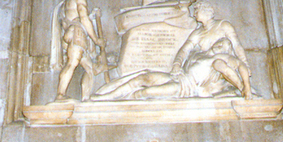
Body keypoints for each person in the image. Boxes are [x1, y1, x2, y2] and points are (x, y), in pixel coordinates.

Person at [91, 37, 252, 100]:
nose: (219, 45)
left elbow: (238, 68)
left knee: (146, 92)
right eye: (219, 42)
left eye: (224, 46)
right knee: (143, 77)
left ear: (227, 51)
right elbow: (183, 55)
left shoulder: (220, 60)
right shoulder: (199, 54)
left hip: (185, 88)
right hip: (176, 77)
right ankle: (106, 96)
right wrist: (177, 68)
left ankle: (122, 102)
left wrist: (244, 87)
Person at [55, 0, 105, 101]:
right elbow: (83, 19)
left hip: (72, 32)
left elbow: (74, 17)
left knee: (90, 69)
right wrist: (96, 40)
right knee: (72, 64)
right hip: (77, 33)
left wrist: (93, 15)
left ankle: (85, 99)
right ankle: (60, 95)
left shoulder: (69, 0)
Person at [171, 1, 250, 79]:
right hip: (205, 70)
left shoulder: (223, 25)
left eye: (196, 11)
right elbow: (184, 50)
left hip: (223, 69)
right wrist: (177, 64)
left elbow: (236, 45)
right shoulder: (197, 33)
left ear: (204, 11)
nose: (194, 14)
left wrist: (245, 64)